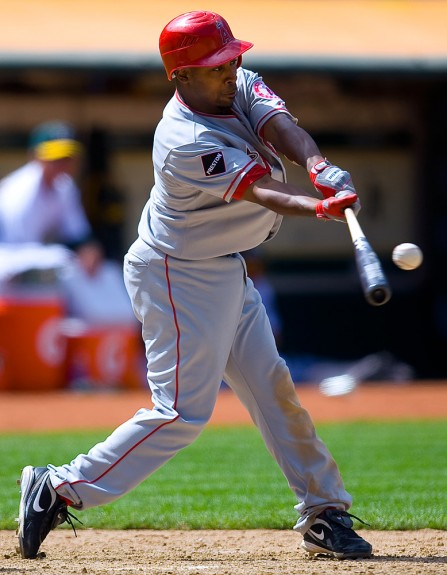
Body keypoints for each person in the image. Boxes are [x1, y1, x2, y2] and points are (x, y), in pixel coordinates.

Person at [17, 11, 372, 561]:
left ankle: (324, 512)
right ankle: (58, 486)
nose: (230, 69)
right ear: (181, 75)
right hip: (176, 273)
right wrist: (319, 206)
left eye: (231, 57)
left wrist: (318, 164)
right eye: (214, 65)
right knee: (181, 411)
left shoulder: (238, 82)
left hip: (223, 266)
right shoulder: (184, 139)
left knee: (272, 388)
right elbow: (262, 193)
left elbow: (281, 126)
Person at [0, 121, 92, 249]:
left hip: (38, 252)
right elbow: (20, 247)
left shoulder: (65, 185)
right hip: (9, 252)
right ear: (35, 156)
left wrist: (88, 249)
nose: (63, 164)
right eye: (55, 158)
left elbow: (77, 232)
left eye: (67, 157)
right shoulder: (19, 191)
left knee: (108, 268)